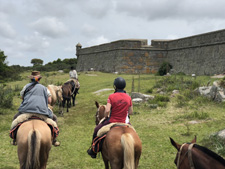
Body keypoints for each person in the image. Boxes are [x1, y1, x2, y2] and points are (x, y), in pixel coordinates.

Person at [87, 77, 133, 158]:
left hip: (112, 121)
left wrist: (105, 116)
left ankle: (93, 150)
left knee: (96, 130)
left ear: (115, 86)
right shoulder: (128, 97)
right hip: (125, 122)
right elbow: (131, 112)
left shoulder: (111, 96)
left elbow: (107, 110)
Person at [12, 71, 60, 146]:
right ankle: (54, 140)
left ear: (31, 79)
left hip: (26, 112)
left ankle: (14, 139)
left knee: (15, 118)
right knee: (54, 119)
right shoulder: (45, 88)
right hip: (42, 112)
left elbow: (22, 97)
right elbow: (49, 101)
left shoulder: (26, 86)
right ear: (39, 79)